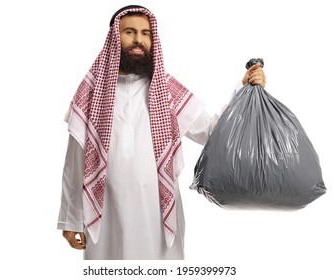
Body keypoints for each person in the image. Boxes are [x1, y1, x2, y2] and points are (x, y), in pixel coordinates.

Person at [57, 5, 266, 260]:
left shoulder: (166, 90)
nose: (139, 40)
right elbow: (74, 161)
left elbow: (212, 131)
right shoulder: (91, 92)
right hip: (104, 212)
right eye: (130, 32)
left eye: (146, 33)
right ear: (114, 38)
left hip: (157, 210)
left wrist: (242, 90)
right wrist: (71, 218)